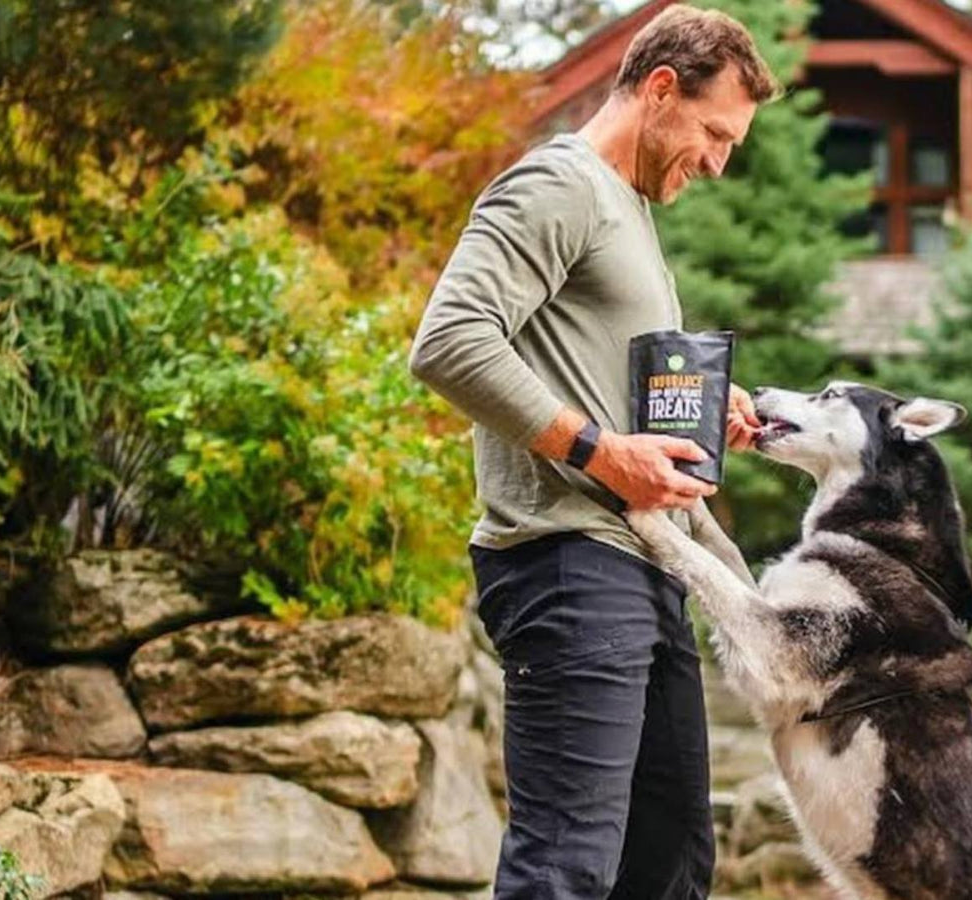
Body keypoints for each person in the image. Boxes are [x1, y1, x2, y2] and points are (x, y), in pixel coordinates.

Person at [408, 5, 780, 898]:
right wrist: (601, 451)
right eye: (714, 132)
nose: (719, 161)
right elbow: (450, 340)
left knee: (668, 864)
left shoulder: (630, 214)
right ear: (659, 90)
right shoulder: (558, 186)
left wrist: (696, 405)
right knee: (566, 867)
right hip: (568, 564)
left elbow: (587, 365)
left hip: (649, 567)